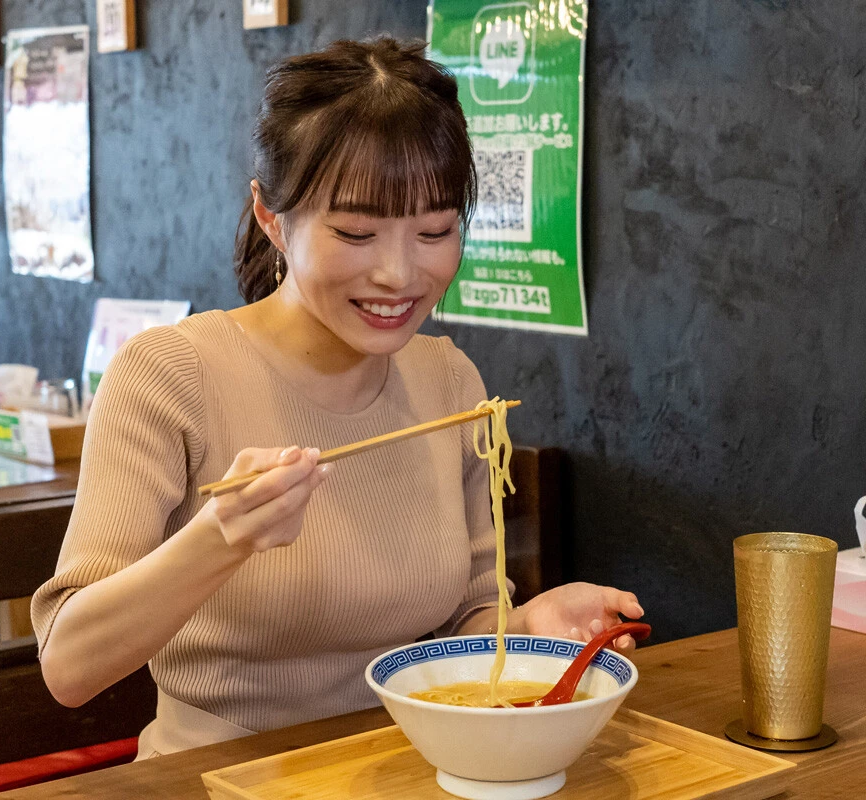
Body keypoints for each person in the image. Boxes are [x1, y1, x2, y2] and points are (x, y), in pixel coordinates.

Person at [32, 37, 644, 758]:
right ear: (271, 218)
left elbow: (467, 627)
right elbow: (69, 667)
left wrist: (532, 622)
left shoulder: (451, 381)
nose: (399, 273)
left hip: (406, 762)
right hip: (217, 772)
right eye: (356, 232)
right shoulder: (169, 375)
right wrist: (219, 537)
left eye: (435, 231)